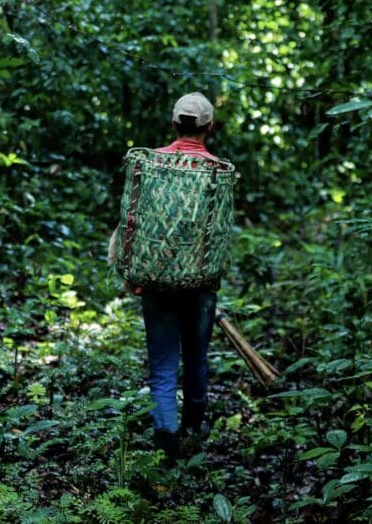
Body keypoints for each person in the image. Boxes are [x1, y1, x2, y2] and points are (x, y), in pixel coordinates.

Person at [112, 92, 221, 465]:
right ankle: (192, 432)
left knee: (162, 367)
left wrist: (131, 271)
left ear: (174, 123)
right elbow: (219, 234)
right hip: (200, 284)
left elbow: (131, 220)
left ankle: (167, 447)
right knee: (196, 359)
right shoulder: (217, 173)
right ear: (209, 127)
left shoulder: (150, 164)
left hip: (156, 280)